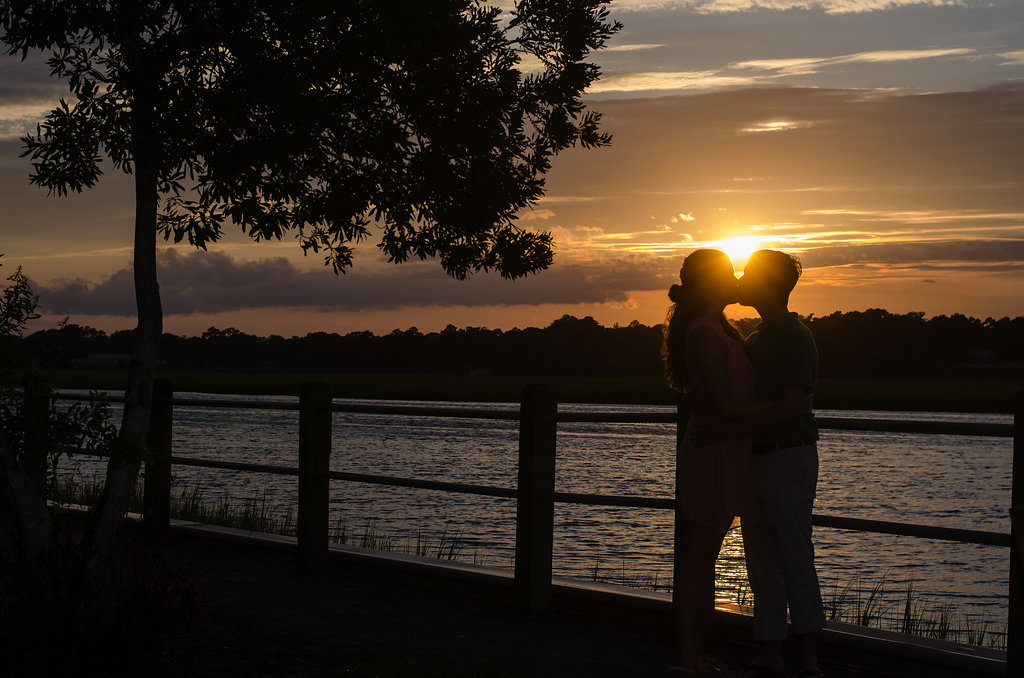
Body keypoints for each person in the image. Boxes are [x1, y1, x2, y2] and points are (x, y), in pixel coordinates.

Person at [662, 249, 806, 678]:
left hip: (725, 448)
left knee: (702, 556)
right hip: (712, 450)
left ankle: (695, 653)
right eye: (729, 272)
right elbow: (725, 405)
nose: (737, 277)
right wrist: (788, 407)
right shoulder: (706, 332)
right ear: (711, 283)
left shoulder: (717, 328)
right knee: (698, 558)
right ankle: (689, 655)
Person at [735, 250, 826, 678]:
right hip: (763, 457)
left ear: (769, 284)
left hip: (787, 456)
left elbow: (792, 405)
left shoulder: (793, 336)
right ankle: (772, 651)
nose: (741, 277)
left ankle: (807, 658)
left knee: (792, 556)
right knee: (762, 560)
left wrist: (732, 426)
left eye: (750, 273)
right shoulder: (758, 337)